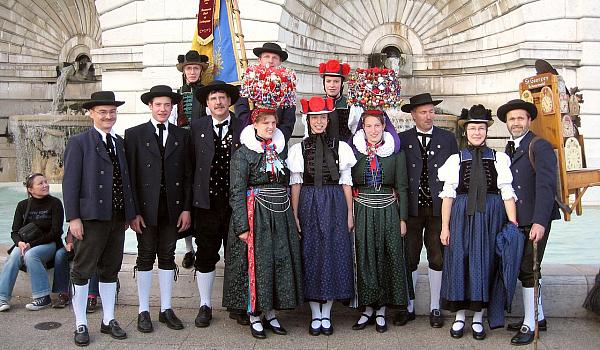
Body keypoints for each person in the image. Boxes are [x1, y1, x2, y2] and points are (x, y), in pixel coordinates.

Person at [437, 105, 517, 340]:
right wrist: (445, 227)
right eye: (472, 128)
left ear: (486, 131)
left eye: (481, 128)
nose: (477, 132)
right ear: (466, 131)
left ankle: (479, 318)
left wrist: (512, 225)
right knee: (460, 261)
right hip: (461, 217)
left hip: (490, 218)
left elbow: (507, 193)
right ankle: (460, 317)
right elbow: (448, 196)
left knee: (485, 262)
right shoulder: (456, 159)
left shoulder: (499, 158)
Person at [63, 90, 136, 346]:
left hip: (116, 219)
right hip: (91, 218)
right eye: (103, 112)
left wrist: (130, 213)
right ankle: (80, 322)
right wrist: (73, 218)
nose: (108, 116)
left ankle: (108, 319)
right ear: (92, 113)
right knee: (82, 271)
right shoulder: (79, 142)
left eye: (112, 111)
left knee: (110, 270)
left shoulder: (119, 142)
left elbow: (126, 181)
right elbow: (70, 184)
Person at [222, 109, 303, 339]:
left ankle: (271, 312)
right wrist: (241, 227)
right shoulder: (244, 153)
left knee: (277, 261)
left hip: (280, 213)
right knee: (258, 264)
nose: (270, 126)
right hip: (255, 214)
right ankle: (255, 314)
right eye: (265, 122)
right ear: (254, 125)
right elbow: (236, 191)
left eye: (273, 123)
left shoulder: (280, 149)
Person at [125, 85, 193, 333]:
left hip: (172, 209)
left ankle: (166, 309)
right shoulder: (133, 135)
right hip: (145, 210)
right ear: (150, 106)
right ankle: (143, 309)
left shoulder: (182, 136)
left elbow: (188, 176)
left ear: (172, 107)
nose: (163, 109)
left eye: (167, 105)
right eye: (158, 105)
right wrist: (132, 213)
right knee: (144, 257)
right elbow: (129, 178)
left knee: (167, 255)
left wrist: (186, 209)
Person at [288, 96, 356, 336]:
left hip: (335, 201)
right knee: (312, 252)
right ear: (308, 120)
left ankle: (327, 313)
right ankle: (314, 313)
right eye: (314, 118)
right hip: (308, 201)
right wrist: (295, 215)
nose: (319, 122)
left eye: (323, 118)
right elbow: (296, 183)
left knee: (333, 252)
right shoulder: (299, 149)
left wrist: (349, 213)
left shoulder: (342, 147)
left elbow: (346, 182)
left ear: (329, 120)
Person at [497, 99, 561, 346]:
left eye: (520, 118)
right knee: (531, 269)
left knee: (528, 270)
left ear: (529, 120)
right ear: (507, 123)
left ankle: (530, 324)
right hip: (519, 220)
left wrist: (540, 222)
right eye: (512, 119)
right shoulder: (509, 148)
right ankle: (539, 317)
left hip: (535, 219)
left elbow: (546, 187)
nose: (516, 122)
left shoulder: (540, 146)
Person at [397, 93, 459, 327]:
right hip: (411, 209)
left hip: (437, 209)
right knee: (410, 256)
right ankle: (409, 306)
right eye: (423, 112)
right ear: (413, 115)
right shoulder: (402, 139)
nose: (428, 116)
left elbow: (455, 174)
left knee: (437, 256)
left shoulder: (448, 138)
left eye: (431, 111)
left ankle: (435, 307)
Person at [190, 80, 246, 327]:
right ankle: (205, 304)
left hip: (236, 204)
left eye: (222, 98)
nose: (219, 102)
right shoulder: (196, 127)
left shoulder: (243, 126)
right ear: (207, 103)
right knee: (205, 254)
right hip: (206, 204)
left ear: (230, 101)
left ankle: (237, 303)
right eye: (213, 98)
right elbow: (189, 168)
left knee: (237, 256)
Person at [350, 109, 412, 333]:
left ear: (384, 127)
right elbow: (348, 184)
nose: (373, 131)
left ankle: (381, 311)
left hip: (388, 209)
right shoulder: (354, 153)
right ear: (362, 128)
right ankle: (367, 308)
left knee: (386, 255)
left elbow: (402, 187)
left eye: (377, 126)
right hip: (362, 208)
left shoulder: (396, 154)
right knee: (365, 255)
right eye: (369, 126)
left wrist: (403, 218)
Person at [0, 173, 64, 312]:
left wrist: (31, 244)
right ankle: (2, 297)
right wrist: (19, 243)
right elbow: (14, 232)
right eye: (40, 183)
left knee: (31, 254)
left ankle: (42, 297)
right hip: (26, 244)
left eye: (45, 182)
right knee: (13, 256)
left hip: (50, 244)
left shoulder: (55, 203)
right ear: (30, 189)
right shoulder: (23, 205)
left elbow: (56, 232)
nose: (45, 185)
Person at [175, 50, 210, 269]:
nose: (192, 72)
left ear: (200, 71)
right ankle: (188, 249)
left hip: (201, 147)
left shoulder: (206, 94)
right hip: (181, 148)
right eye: (189, 68)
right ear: (184, 71)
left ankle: (203, 245)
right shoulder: (176, 94)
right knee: (184, 196)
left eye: (196, 68)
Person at [234, 42, 296, 143]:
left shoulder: (287, 85)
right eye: (266, 57)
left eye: (275, 58)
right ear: (260, 59)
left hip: (276, 142)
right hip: (250, 139)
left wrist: (276, 140)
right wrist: (253, 136)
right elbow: (241, 111)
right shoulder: (249, 81)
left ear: (280, 61)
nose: (270, 61)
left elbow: (288, 120)